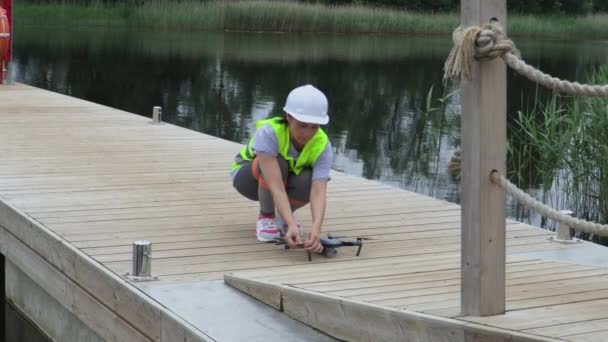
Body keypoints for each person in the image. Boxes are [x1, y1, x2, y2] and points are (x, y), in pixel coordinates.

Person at [231, 84, 333, 254]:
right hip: (247, 178)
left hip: (284, 180)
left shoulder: (323, 145)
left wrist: (316, 228)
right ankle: (266, 217)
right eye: (302, 124)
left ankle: (284, 218)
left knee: (309, 178)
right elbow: (276, 186)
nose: (307, 133)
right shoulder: (269, 133)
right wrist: (293, 224)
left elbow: (318, 190)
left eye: (314, 126)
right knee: (279, 161)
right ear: (288, 117)